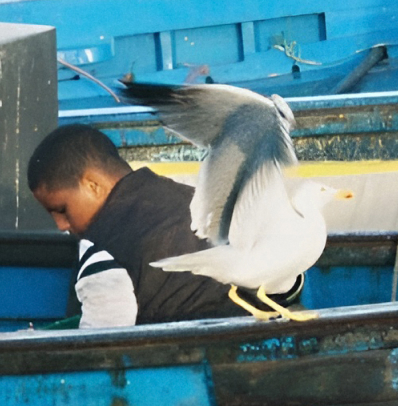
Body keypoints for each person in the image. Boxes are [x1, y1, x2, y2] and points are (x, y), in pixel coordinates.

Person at [25, 125, 247, 327]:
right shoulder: (194, 200)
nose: (61, 225)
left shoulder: (100, 249)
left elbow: (87, 346)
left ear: (93, 185)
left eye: (62, 210)